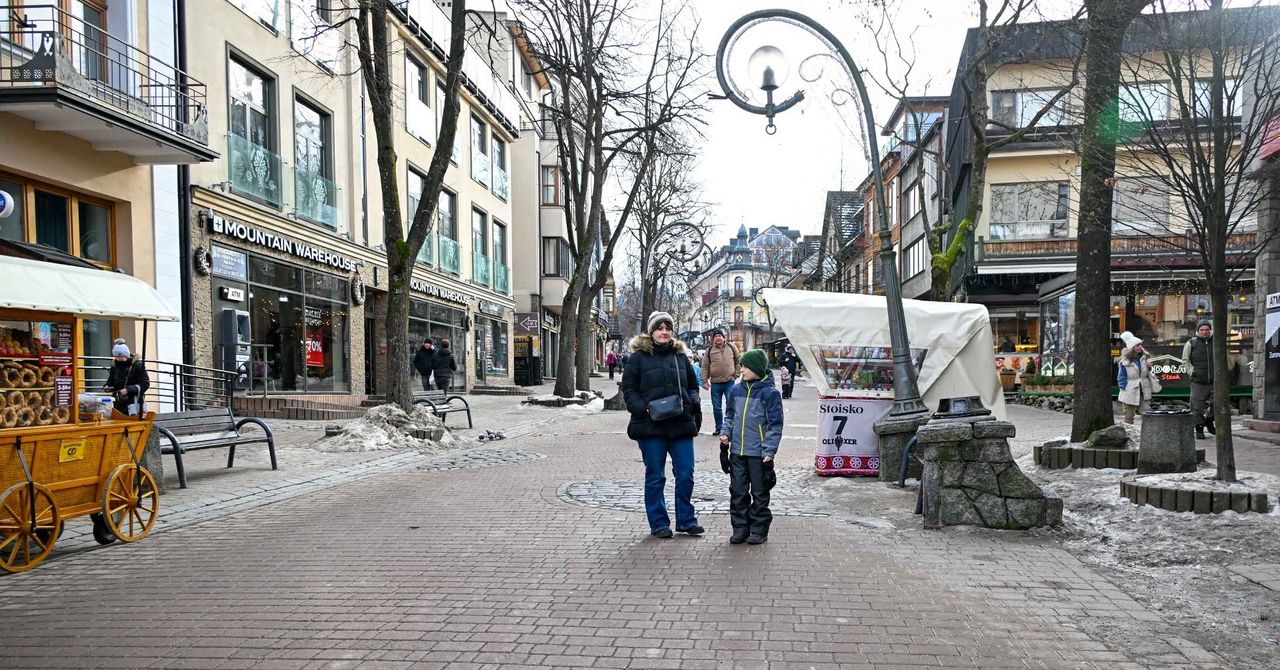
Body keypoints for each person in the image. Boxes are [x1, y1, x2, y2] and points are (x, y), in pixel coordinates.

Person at [621, 311, 703, 538]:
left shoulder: (680, 357)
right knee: (656, 475)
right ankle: (659, 523)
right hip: (650, 426)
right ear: (651, 331)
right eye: (659, 328)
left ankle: (686, 520)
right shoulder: (637, 358)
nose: (664, 332)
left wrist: (692, 402)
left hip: (680, 423)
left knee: (686, 473)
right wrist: (643, 409)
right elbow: (629, 389)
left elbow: (692, 385)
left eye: (668, 328)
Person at [719, 348, 783, 545]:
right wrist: (726, 432)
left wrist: (769, 450)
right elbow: (730, 414)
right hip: (737, 451)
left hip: (758, 454)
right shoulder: (736, 391)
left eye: (746, 366)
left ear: (757, 368)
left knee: (760, 493)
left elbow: (774, 424)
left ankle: (758, 529)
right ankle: (740, 528)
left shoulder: (770, 394)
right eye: (742, 366)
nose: (741, 370)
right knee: (737, 491)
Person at [701, 329, 740, 435]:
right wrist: (704, 381)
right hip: (715, 383)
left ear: (724, 337)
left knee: (730, 405)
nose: (718, 337)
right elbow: (705, 367)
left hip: (729, 382)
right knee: (717, 407)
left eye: (719, 335)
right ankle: (718, 428)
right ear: (713, 339)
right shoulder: (709, 351)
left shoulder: (732, 347)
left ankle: (729, 427)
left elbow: (738, 361)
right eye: (715, 336)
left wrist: (736, 375)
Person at [1117, 331, 1161, 424]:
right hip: (1130, 390)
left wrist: (1149, 368)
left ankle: (1149, 435)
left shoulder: (1143, 358)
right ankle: (1128, 435)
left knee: (1147, 414)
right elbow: (1121, 377)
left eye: (1141, 345)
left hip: (1143, 389)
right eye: (1137, 345)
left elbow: (1145, 373)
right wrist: (1125, 388)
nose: (1140, 347)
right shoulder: (1124, 362)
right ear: (1132, 347)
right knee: (1129, 416)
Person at [1182, 319, 1215, 439]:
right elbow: (1185, 361)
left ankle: (1209, 419)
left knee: (1218, 403)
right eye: (1202, 330)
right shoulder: (1191, 343)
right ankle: (1199, 429)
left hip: (1215, 381)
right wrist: (1192, 372)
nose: (1204, 332)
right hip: (1198, 381)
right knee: (1197, 407)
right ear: (1198, 331)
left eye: (1207, 329)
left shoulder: (1215, 341)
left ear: (1210, 330)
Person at [104, 338, 150, 416]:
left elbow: (145, 383)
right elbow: (111, 380)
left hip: (134, 403)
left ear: (126, 355)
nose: (118, 359)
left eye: (120, 356)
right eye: (116, 356)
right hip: (118, 403)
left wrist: (128, 390)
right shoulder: (115, 366)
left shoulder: (137, 366)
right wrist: (107, 386)